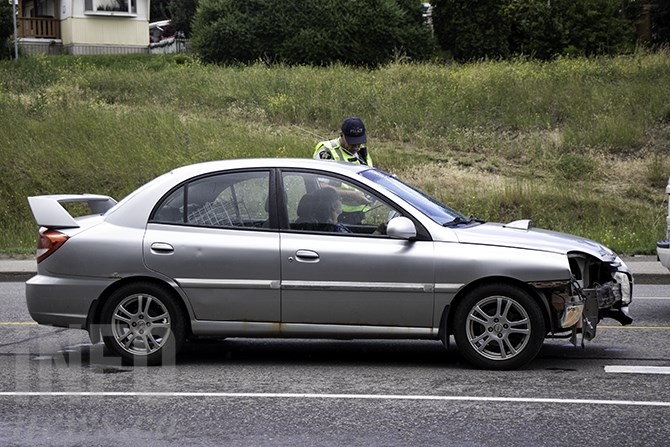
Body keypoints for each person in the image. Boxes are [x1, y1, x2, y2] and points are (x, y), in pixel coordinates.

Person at [313, 116, 373, 224]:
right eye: (352, 142)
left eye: (359, 142)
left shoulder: (361, 151)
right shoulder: (327, 153)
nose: (356, 147)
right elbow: (320, 186)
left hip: (358, 213)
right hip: (335, 215)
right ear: (341, 135)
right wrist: (352, 195)